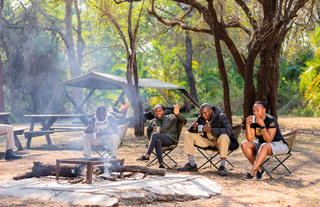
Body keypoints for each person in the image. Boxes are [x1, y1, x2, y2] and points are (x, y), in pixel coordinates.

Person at [178, 103, 239, 176]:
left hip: (220, 143)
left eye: (205, 113)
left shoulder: (221, 117)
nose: (203, 115)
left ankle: (222, 166)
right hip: (208, 142)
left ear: (210, 111)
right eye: (201, 114)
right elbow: (190, 130)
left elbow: (229, 130)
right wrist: (193, 128)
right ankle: (192, 164)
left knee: (224, 136)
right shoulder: (202, 118)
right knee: (187, 135)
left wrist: (211, 130)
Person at [241, 101, 288, 180]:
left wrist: (262, 125)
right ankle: (260, 170)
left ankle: (252, 172)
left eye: (257, 110)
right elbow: (250, 139)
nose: (255, 113)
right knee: (244, 144)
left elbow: (269, 140)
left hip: (278, 144)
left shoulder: (271, 120)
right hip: (262, 145)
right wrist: (247, 125)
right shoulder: (254, 120)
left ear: (264, 110)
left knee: (264, 146)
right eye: (253, 111)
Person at [137, 104, 186, 168]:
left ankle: (147, 155)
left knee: (156, 135)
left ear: (163, 111)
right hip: (159, 140)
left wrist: (177, 114)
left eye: (160, 111)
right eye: (156, 111)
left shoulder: (171, 118)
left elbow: (184, 121)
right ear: (154, 113)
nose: (158, 113)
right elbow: (150, 137)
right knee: (157, 140)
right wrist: (152, 132)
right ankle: (161, 164)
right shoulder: (152, 122)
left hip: (170, 139)